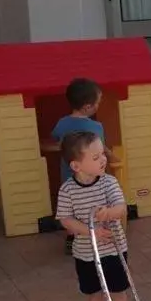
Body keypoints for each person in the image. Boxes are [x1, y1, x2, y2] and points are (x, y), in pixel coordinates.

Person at [55, 130, 135, 301]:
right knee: (93, 293)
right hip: (85, 254)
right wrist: (90, 231)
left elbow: (121, 208)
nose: (103, 159)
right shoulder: (68, 190)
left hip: (112, 250)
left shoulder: (108, 183)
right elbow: (65, 219)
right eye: (96, 157)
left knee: (118, 291)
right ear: (76, 166)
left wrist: (109, 213)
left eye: (103, 154)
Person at [48, 78, 116, 253]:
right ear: (88, 107)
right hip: (92, 176)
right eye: (98, 102)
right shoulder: (95, 126)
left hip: (69, 175)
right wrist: (111, 156)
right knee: (93, 204)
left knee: (72, 209)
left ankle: (73, 238)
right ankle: (98, 235)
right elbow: (100, 148)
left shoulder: (62, 123)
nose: (99, 105)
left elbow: (56, 141)